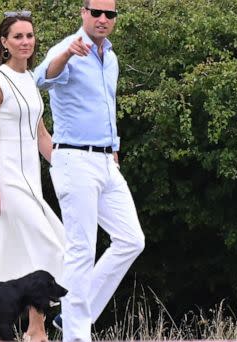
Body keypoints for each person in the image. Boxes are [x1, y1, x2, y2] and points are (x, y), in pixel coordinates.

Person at [34, 0, 145, 341]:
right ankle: (76, 336)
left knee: (131, 240)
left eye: (109, 14)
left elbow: (105, 106)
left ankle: (71, 316)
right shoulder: (68, 48)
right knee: (82, 249)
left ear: (114, 19)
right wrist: (67, 54)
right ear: (83, 13)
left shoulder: (110, 58)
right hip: (74, 160)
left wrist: (113, 146)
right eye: (95, 12)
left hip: (105, 160)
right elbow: (41, 78)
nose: (102, 19)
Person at [0, 10, 65, 342]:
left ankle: (6, 332)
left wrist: (68, 168)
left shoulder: (30, 81)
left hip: (31, 178)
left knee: (15, 258)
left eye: (30, 35)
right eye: (18, 36)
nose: (26, 41)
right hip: (6, 178)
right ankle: (36, 330)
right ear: (4, 42)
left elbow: (41, 136)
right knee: (53, 246)